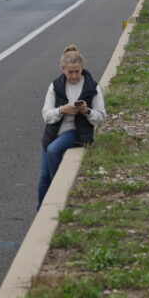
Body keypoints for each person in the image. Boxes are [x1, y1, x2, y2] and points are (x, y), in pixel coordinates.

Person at [38, 45, 106, 208]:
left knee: (53, 150)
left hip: (75, 131)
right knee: (43, 178)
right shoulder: (55, 86)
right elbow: (46, 115)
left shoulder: (92, 87)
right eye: (70, 72)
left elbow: (102, 117)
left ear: (82, 68)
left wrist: (87, 112)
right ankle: (41, 210)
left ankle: (58, 191)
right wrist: (62, 110)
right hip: (53, 132)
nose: (74, 76)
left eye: (77, 71)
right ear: (62, 69)